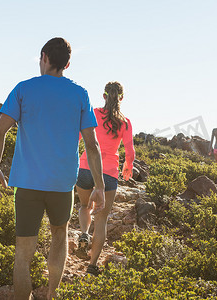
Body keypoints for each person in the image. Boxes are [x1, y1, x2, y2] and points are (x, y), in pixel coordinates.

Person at [0, 37, 105, 300]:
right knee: (59, 234)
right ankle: (52, 295)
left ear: (43, 57)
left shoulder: (23, 89)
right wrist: (99, 186)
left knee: (23, 250)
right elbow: (92, 144)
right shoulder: (80, 94)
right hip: (62, 184)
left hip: (28, 183)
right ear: (67, 64)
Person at [75, 81, 135, 276]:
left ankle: (84, 232)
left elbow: (77, 137)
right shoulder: (125, 122)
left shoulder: (93, 113)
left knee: (84, 206)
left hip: (85, 167)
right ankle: (92, 266)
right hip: (108, 174)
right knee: (101, 219)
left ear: (104, 96)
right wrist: (128, 166)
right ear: (122, 98)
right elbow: (130, 152)